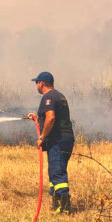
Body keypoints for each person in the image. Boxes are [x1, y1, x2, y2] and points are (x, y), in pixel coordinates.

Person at [27, 72, 74, 214]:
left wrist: (42, 137)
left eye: (36, 83)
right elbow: (51, 117)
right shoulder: (60, 96)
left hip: (57, 140)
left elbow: (51, 118)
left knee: (58, 172)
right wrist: (36, 118)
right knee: (55, 170)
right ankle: (56, 203)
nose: (36, 86)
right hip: (65, 139)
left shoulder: (48, 97)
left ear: (41, 83)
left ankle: (64, 208)